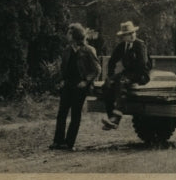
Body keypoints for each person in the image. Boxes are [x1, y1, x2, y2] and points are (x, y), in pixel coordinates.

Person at [50, 23, 101, 151]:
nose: (67, 35)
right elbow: (64, 68)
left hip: (80, 86)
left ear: (75, 35)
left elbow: (96, 69)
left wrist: (85, 81)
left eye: (69, 33)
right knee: (61, 113)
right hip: (68, 85)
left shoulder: (88, 50)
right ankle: (58, 141)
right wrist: (61, 80)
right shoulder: (67, 50)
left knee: (75, 114)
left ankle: (69, 143)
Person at [101, 20, 152, 129]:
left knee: (122, 83)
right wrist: (110, 76)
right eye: (128, 34)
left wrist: (128, 77)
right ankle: (111, 119)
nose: (132, 35)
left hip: (141, 74)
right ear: (123, 37)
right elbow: (112, 61)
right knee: (107, 85)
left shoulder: (140, 45)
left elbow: (142, 64)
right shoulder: (122, 46)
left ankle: (116, 118)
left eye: (133, 33)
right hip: (128, 73)